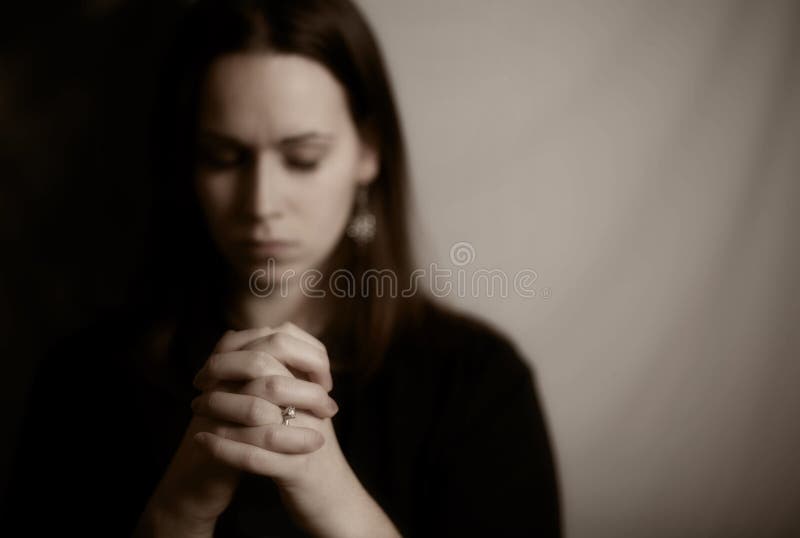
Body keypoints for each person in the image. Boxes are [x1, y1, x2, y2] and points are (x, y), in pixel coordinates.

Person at [4, 0, 561, 536]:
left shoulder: (478, 386)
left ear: (369, 152)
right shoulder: (84, 382)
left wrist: (336, 502)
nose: (261, 203)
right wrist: (178, 512)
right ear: (188, 162)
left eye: (302, 159)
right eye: (224, 157)